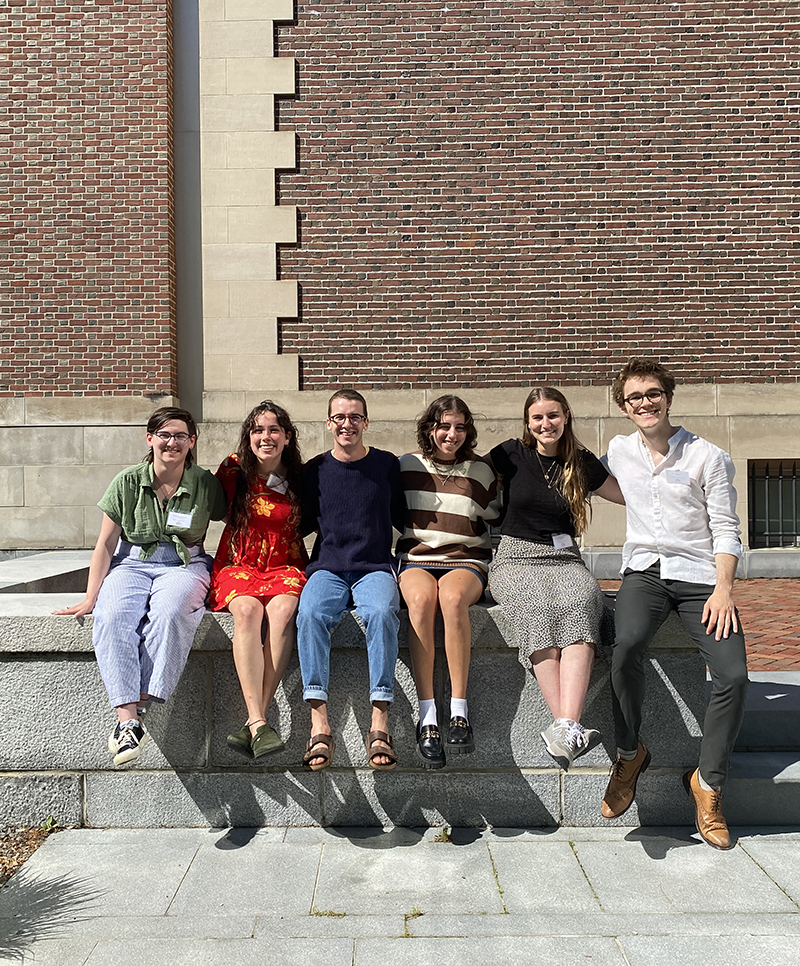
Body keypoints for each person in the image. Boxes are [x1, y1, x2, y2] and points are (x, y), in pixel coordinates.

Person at [601, 358, 748, 850]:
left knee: (733, 674)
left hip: (702, 578)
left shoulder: (709, 456)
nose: (644, 403)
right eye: (634, 397)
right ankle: (629, 752)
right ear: (624, 408)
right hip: (644, 572)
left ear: (668, 396)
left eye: (652, 393)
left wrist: (724, 589)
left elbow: (727, 529)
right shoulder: (619, 450)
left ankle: (708, 784)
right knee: (625, 646)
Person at [54, 407, 227, 766]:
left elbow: (239, 514)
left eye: (181, 436)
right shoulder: (127, 481)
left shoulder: (205, 483)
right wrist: (90, 596)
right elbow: (104, 544)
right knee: (113, 615)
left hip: (184, 564)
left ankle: (144, 700)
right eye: (164, 434)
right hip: (130, 563)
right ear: (150, 439)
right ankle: (127, 721)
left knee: (170, 612)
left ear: (192, 442)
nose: (172, 443)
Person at [488, 387, 624, 770]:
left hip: (565, 558)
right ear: (528, 422)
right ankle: (569, 726)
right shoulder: (510, 453)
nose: (545, 424)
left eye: (552, 416)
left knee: (582, 602)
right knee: (535, 607)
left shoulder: (581, 462)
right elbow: (465, 475)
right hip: (516, 557)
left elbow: (629, 495)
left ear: (565, 416)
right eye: (537, 417)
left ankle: (565, 727)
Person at [296, 389, 406, 771]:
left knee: (380, 613)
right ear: (329, 423)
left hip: (374, 567)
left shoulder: (386, 465)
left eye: (354, 417)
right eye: (339, 417)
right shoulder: (315, 470)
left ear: (366, 422)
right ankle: (319, 724)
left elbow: (405, 519)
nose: (347, 424)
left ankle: (379, 722)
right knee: (309, 614)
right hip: (326, 568)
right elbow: (301, 524)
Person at [397, 395, 501, 768]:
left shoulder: (480, 471)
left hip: (466, 559)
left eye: (460, 427)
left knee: (453, 600)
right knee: (422, 602)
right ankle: (427, 716)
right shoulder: (406, 466)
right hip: (416, 558)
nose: (452, 434)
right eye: (444, 425)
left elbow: (496, 515)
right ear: (430, 428)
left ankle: (459, 711)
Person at [208, 400, 308, 760]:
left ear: (287, 436)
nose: (265, 437)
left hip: (285, 564)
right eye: (257, 430)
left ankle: (254, 721)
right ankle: (259, 721)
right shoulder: (234, 470)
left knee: (283, 612)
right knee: (247, 611)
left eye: (273, 429)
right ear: (248, 437)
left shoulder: (300, 476)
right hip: (239, 563)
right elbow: (209, 510)